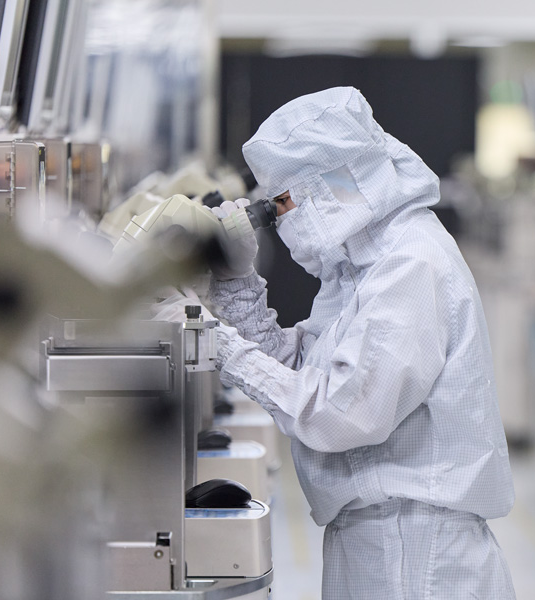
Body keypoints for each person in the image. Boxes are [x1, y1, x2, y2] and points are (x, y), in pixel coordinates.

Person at [208, 87, 516, 598]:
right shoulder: (358, 269)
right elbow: (301, 371)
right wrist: (239, 285)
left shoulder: (410, 263)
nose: (279, 219)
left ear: (328, 188)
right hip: (376, 538)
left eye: (282, 202)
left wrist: (217, 344)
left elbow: (338, 414)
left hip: (416, 553)